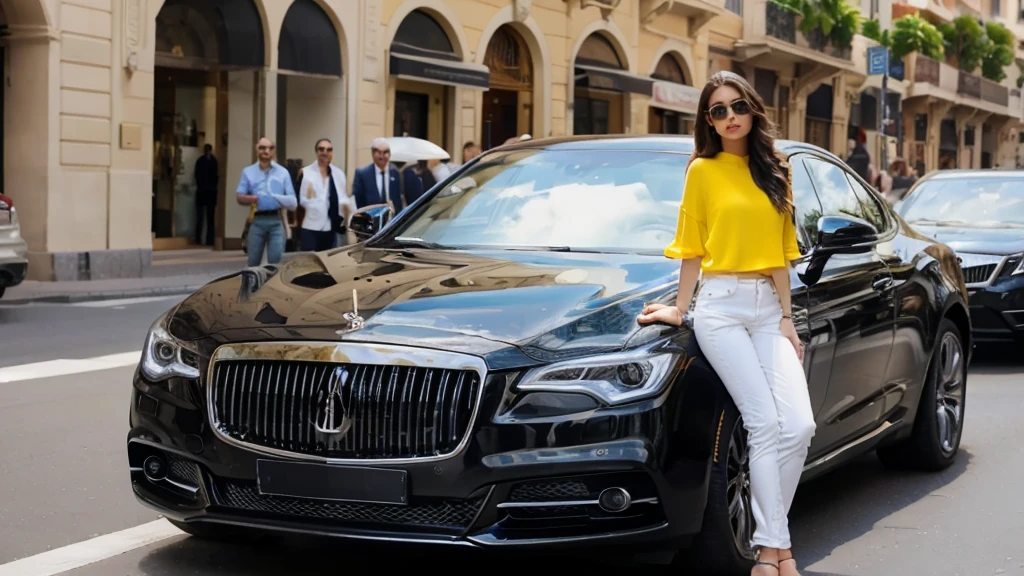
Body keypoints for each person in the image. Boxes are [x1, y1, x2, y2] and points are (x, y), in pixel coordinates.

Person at [636, 71, 815, 576]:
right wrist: (679, 306)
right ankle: (774, 555)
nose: (730, 117)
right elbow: (691, 248)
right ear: (708, 121)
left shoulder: (775, 170)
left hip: (766, 309)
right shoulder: (702, 171)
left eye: (737, 106)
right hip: (720, 308)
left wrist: (787, 319)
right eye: (718, 110)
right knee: (762, 423)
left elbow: (781, 255)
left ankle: (768, 547)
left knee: (799, 425)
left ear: (752, 109)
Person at [236, 137, 297, 267]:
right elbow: (239, 196)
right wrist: (251, 199)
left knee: (275, 261)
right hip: (257, 220)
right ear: (256, 149)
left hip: (276, 219)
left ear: (274, 151)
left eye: (270, 148)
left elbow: (293, 200)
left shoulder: (283, 173)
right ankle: (253, 287)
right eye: (262, 148)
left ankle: (271, 286)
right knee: (253, 262)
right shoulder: (248, 172)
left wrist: (279, 198)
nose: (266, 151)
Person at [298, 138, 354, 252]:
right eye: (321, 149)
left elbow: (343, 199)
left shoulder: (338, 174)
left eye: (329, 150)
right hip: (310, 226)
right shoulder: (305, 173)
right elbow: (299, 202)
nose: (325, 152)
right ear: (316, 152)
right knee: (310, 263)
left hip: (331, 227)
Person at [351, 137, 424, 212]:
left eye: (385, 152)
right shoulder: (362, 174)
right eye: (378, 152)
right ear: (372, 153)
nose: (382, 156)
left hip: (393, 220)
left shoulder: (397, 173)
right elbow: (359, 202)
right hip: (371, 218)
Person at [193, 144, 218, 246]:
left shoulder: (200, 161)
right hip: (211, 191)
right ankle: (209, 239)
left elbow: (196, 175)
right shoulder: (214, 161)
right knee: (209, 217)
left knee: (201, 217)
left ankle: (199, 238)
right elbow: (217, 176)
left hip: (202, 191)